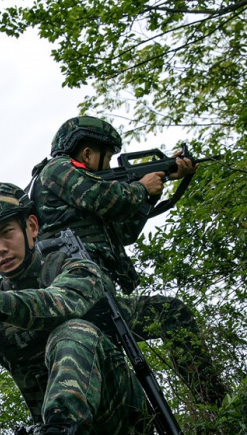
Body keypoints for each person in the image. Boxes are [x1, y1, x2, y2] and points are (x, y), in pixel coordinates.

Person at [0, 183, 152, 435]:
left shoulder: (75, 266)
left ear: (31, 227)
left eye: (6, 233)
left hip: (121, 417)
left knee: (72, 331)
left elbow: (61, 303)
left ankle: (59, 432)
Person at [31, 116, 226, 407]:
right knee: (171, 314)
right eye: (107, 158)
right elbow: (102, 197)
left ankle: (215, 411)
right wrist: (141, 188)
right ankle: (218, 406)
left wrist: (153, 192)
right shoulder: (57, 170)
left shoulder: (81, 192)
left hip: (98, 295)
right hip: (79, 294)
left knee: (121, 381)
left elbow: (124, 232)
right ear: (87, 153)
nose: (109, 167)